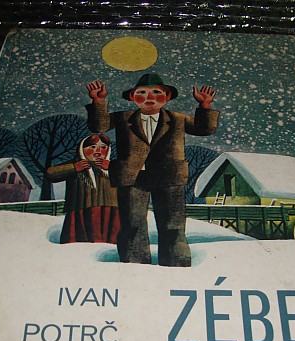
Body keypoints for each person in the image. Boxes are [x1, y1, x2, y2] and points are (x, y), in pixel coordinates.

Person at [85, 73, 219, 267]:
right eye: (142, 93)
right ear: (132, 97)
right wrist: (98, 101)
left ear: (167, 97)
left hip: (169, 177)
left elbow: (204, 129)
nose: (149, 97)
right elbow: (98, 125)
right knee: (132, 225)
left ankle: (177, 266)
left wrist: (205, 105)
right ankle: (135, 266)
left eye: (156, 92)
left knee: (173, 225)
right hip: (132, 178)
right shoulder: (123, 118)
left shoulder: (178, 119)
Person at [46, 133, 120, 244]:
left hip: (111, 211)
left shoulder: (112, 165)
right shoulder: (76, 163)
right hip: (81, 211)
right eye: (93, 147)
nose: (98, 151)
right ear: (82, 149)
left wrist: (112, 167)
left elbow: (131, 177)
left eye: (103, 147)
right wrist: (74, 167)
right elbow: (50, 173)